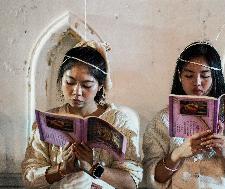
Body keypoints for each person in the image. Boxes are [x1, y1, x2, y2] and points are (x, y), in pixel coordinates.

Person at [22, 41, 142, 189]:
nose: (77, 92)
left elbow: (131, 182)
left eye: (86, 85)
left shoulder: (119, 121)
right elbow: (29, 178)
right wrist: (62, 169)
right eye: (70, 82)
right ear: (61, 81)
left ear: (100, 86)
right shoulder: (47, 121)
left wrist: (93, 168)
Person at [142, 41, 225, 189]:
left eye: (205, 76)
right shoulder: (162, 120)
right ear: (179, 76)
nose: (197, 82)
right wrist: (177, 154)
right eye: (189, 75)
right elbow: (153, 178)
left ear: (215, 76)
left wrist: (224, 154)